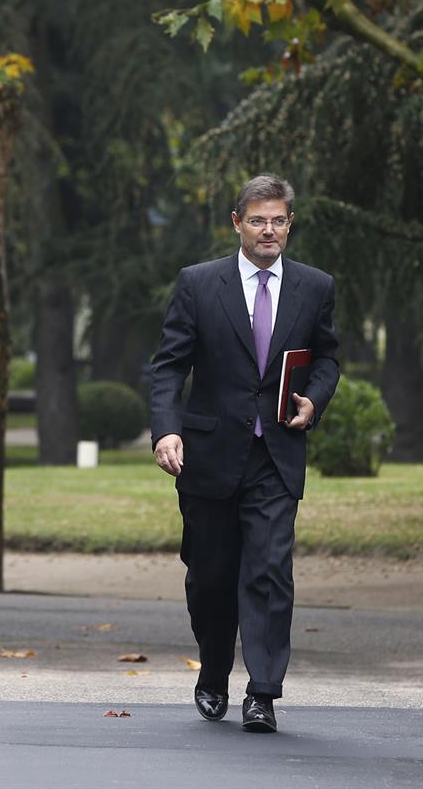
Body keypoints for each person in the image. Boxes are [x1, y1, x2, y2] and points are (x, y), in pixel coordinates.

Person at [149, 174, 340, 733]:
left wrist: (315, 401)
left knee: (269, 571)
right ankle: (213, 671)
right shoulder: (198, 284)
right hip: (207, 455)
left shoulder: (315, 286)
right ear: (237, 223)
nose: (269, 230)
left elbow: (327, 358)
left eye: (278, 220)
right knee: (210, 577)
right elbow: (168, 366)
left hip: (275, 455)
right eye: (257, 220)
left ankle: (263, 692)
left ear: (290, 224)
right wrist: (165, 430)